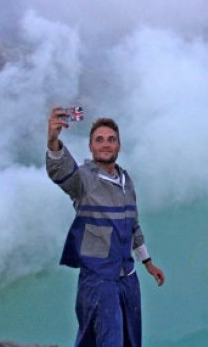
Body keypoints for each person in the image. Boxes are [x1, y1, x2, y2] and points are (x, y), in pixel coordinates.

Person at [46, 106, 165, 347]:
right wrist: (52, 141)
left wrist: (148, 262)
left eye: (111, 140)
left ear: (119, 146)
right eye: (99, 140)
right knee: (105, 340)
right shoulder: (84, 180)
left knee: (131, 340)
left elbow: (133, 226)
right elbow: (61, 171)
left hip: (128, 278)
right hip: (99, 279)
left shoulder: (125, 181)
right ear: (91, 147)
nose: (106, 144)